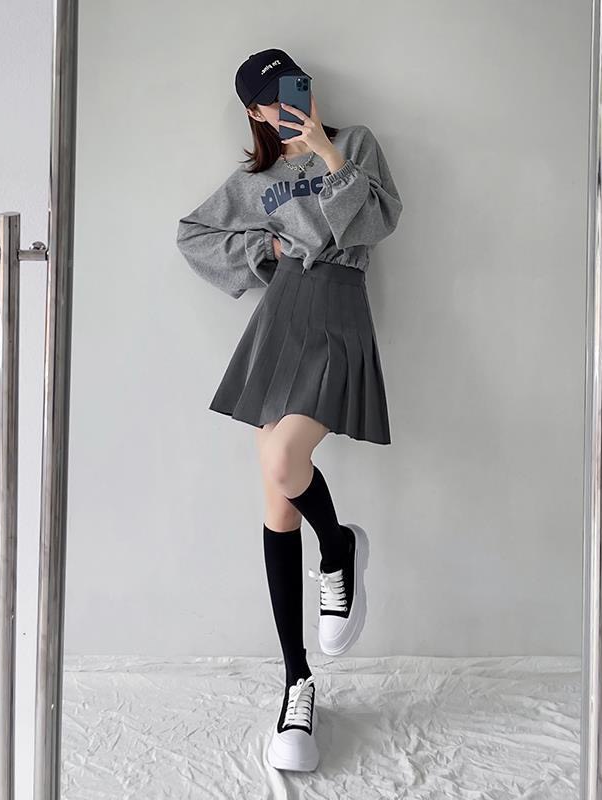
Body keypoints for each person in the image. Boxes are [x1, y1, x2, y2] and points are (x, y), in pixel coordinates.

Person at [176, 48, 402, 772]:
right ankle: (296, 683)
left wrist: (328, 153)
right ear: (254, 110)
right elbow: (192, 235)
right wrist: (265, 246)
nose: (290, 102)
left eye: (294, 87)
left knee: (282, 459)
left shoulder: (355, 143)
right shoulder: (254, 182)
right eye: (274, 97)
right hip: (280, 317)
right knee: (276, 500)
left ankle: (338, 549)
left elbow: (375, 222)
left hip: (338, 311)